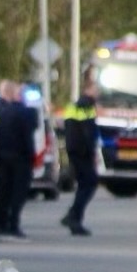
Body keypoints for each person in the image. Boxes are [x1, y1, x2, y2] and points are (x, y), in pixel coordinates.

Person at [0, 80, 37, 239]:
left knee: (1, 192)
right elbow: (27, 137)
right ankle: (9, 223)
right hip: (18, 157)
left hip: (2, 156)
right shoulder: (20, 112)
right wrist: (31, 155)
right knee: (15, 192)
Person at [59, 75, 99, 236]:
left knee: (85, 185)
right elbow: (87, 132)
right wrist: (91, 152)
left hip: (76, 151)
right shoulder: (85, 106)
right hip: (82, 152)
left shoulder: (75, 106)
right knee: (88, 184)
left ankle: (74, 217)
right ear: (87, 90)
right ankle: (73, 216)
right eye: (95, 90)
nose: (98, 93)